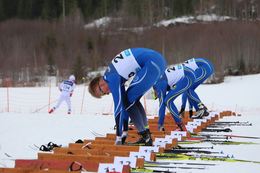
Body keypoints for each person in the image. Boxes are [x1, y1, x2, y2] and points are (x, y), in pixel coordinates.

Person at [88, 48, 167, 145]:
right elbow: (123, 105)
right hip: (155, 61)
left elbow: (118, 108)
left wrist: (118, 136)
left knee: (129, 101)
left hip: (152, 63)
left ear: (100, 84)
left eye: (103, 92)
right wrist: (124, 131)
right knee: (132, 100)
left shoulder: (111, 78)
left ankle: (146, 136)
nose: (107, 93)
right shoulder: (111, 75)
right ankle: (146, 134)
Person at [153, 64, 196, 132]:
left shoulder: (158, 84)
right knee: (168, 100)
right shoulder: (160, 79)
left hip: (188, 76)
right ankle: (180, 123)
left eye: (155, 94)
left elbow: (162, 105)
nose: (157, 96)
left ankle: (181, 125)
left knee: (167, 101)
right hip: (188, 74)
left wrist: (160, 124)